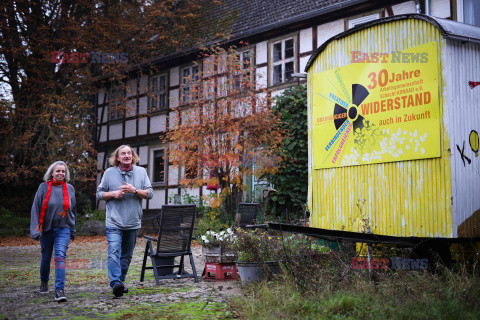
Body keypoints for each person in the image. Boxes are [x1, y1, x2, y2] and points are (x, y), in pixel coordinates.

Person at [96, 145, 153, 297]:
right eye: (123, 153)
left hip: (133, 221)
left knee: (127, 255)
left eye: (129, 153)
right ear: (118, 157)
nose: (127, 155)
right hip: (114, 221)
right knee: (114, 251)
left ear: (133, 156)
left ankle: (119, 283)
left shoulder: (141, 172)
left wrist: (134, 190)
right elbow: (99, 194)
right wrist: (114, 193)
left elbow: (150, 193)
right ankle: (115, 283)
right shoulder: (109, 173)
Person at [30, 161, 76, 302]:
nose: (61, 173)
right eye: (58, 171)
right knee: (46, 258)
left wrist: (73, 229)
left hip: (63, 228)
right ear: (51, 173)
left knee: (60, 257)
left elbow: (73, 211)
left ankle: (59, 290)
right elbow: (36, 208)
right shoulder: (43, 187)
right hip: (46, 229)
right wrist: (35, 230)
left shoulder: (70, 188)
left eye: (63, 171)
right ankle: (44, 282)